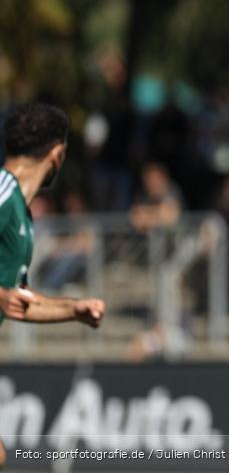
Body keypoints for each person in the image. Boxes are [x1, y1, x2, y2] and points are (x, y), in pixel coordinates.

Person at [0, 104, 106, 468]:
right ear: (57, 153)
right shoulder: (1, 190)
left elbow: (19, 300)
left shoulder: (22, 215)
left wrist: (73, 309)